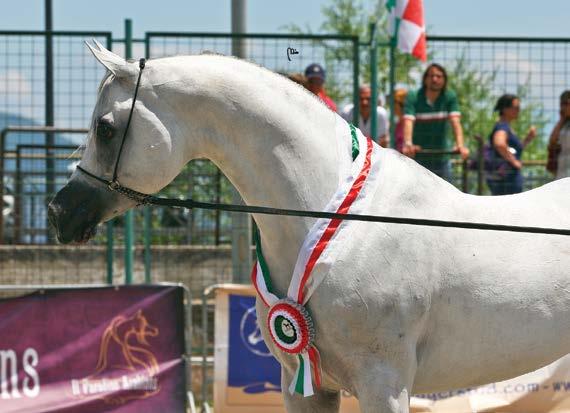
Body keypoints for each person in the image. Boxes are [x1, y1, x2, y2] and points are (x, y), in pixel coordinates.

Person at [402, 63, 469, 179]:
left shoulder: (449, 97)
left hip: (442, 157)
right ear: (425, 79)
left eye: (439, 76)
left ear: (444, 80)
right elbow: (408, 122)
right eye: (431, 76)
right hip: (419, 157)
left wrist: (460, 145)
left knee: (447, 195)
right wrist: (408, 143)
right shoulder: (413, 96)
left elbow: (455, 122)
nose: (435, 79)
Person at [486, 94, 537, 195]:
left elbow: (514, 150)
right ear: (505, 109)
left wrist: (527, 139)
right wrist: (514, 162)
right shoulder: (502, 126)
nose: (519, 110)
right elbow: (499, 144)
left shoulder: (505, 127)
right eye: (516, 107)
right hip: (507, 179)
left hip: (506, 178)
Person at [546, 90, 570, 180]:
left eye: (566, 103)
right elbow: (552, 141)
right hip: (562, 168)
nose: (563, 107)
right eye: (562, 104)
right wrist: (561, 119)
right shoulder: (564, 124)